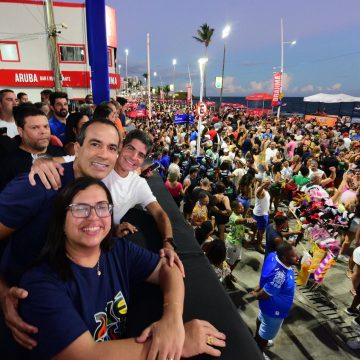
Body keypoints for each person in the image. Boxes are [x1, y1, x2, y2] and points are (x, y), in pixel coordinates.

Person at [19, 177, 226, 359]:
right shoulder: (40, 284)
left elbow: (168, 269)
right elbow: (83, 355)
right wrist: (177, 343)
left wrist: (171, 318)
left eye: (102, 207)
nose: (93, 217)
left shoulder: (117, 250)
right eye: (80, 208)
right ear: (61, 221)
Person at [0, 105, 64, 191]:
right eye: (35, 128)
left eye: (46, 126)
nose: (43, 131)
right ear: (20, 131)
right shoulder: (8, 164)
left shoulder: (59, 152)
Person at [251, 243, 299, 352]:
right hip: (274, 311)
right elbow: (264, 295)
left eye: (296, 254)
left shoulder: (273, 255)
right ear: (284, 258)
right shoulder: (280, 276)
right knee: (266, 334)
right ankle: (259, 350)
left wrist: (259, 287)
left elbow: (267, 277)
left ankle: (257, 339)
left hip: (268, 308)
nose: (298, 257)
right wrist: (256, 294)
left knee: (261, 319)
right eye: (294, 256)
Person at [225, 201, 256, 270]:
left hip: (238, 242)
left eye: (242, 207)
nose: (242, 208)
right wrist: (247, 219)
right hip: (232, 243)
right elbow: (238, 221)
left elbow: (240, 225)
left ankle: (229, 274)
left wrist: (247, 231)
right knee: (229, 263)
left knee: (237, 260)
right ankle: (226, 276)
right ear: (234, 209)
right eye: (240, 207)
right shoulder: (233, 216)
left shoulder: (239, 214)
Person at [252, 178, 271, 254]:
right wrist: (263, 185)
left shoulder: (264, 190)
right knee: (261, 232)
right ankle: (258, 245)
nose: (268, 184)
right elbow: (257, 193)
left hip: (259, 212)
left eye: (269, 182)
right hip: (261, 215)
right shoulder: (261, 191)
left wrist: (268, 209)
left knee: (256, 228)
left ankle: (254, 240)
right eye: (266, 182)